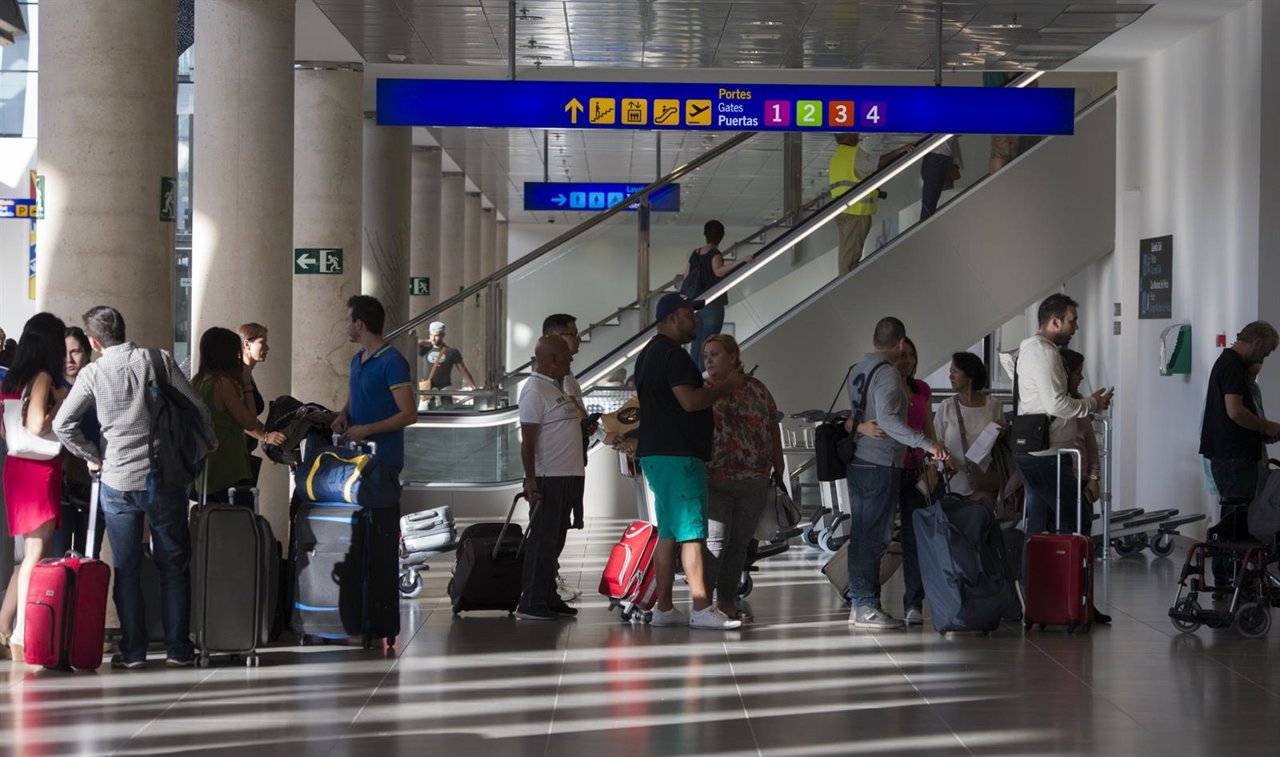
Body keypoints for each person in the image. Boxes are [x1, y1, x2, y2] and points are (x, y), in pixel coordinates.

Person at [54, 306, 214, 668]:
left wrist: (92, 456)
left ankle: (134, 651)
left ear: (93, 341)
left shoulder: (93, 373)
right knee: (174, 564)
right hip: (163, 479)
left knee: (126, 567)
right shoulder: (156, 360)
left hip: (116, 482)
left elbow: (64, 424)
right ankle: (177, 649)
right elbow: (197, 406)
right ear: (123, 330)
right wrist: (209, 443)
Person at [635, 293, 746, 630]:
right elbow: (690, 401)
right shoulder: (674, 356)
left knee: (669, 534)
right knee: (692, 535)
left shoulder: (648, 354)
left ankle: (665, 608)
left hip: (657, 454)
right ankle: (701, 607)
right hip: (678, 455)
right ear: (670, 318)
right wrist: (725, 387)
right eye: (688, 315)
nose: (696, 320)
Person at [842, 317, 948, 630]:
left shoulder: (857, 369)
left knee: (862, 534)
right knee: (873, 537)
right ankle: (866, 605)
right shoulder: (887, 374)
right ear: (900, 342)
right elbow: (889, 422)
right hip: (880, 463)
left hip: (860, 461)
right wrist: (927, 444)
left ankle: (861, 603)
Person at [1013, 294, 1113, 624]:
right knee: (1078, 522)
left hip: (1038, 450)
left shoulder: (1030, 348)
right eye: (1072, 321)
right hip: (1045, 455)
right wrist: (1091, 405)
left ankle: (1045, 602)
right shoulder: (1043, 352)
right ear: (1055, 321)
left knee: (1038, 527)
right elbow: (1057, 404)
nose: (1076, 327)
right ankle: (1069, 600)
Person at [701, 334, 784, 623]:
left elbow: (772, 426)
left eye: (715, 354)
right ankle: (704, 605)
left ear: (734, 357)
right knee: (716, 542)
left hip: (754, 478)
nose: (709, 360)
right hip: (715, 477)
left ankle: (727, 601)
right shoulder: (704, 390)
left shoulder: (757, 389)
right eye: (706, 355)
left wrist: (779, 463)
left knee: (739, 544)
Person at [0, 313, 68, 661]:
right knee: (35, 555)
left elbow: (7, 428)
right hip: (39, 469)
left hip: (16, 466)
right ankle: (23, 634)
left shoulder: (12, 378)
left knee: (27, 555)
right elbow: (38, 424)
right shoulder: (42, 377)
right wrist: (60, 404)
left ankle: (6, 627)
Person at [515, 336, 583, 621]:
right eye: (566, 358)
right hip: (548, 478)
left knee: (555, 541)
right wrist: (530, 479)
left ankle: (548, 595)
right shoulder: (534, 391)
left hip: (568, 476)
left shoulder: (555, 387)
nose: (570, 361)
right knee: (542, 540)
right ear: (552, 359)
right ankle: (531, 600)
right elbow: (527, 442)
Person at [191, 327, 285, 503]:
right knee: (239, 521)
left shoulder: (197, 381)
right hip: (227, 469)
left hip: (206, 467)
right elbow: (248, 421)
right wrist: (247, 383)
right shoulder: (222, 383)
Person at [331, 296, 417, 481]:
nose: (346, 325)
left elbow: (409, 414)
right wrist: (344, 413)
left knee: (382, 509)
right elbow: (357, 394)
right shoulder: (357, 359)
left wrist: (366, 430)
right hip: (355, 456)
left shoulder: (393, 362)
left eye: (348, 320)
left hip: (383, 459)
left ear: (359, 324)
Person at [1200, 321, 1280, 502]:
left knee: (1238, 513)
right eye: (1264, 354)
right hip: (1234, 458)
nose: (1261, 360)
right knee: (1241, 516)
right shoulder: (1232, 365)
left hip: (1231, 456)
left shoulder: (1229, 364)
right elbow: (1235, 411)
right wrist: (1266, 426)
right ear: (1257, 343)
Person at [892, 336, 937, 627]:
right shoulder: (885, 387)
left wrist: (935, 456)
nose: (907, 361)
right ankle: (861, 595)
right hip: (888, 467)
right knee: (878, 535)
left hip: (916, 470)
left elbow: (929, 426)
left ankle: (913, 603)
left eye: (911, 355)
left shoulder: (922, 389)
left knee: (913, 539)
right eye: (901, 356)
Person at [51, 326, 104, 558]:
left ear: (87, 352)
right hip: (59, 481)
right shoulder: (51, 388)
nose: (69, 359)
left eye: (76, 352)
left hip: (94, 480)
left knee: (89, 554)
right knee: (57, 553)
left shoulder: (100, 385)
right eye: (64, 352)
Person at [829, 134, 915, 275]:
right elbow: (875, 163)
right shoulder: (852, 154)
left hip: (843, 212)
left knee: (847, 251)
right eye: (853, 132)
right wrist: (900, 150)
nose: (856, 135)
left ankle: (847, 284)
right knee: (850, 257)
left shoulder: (837, 157)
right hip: (856, 212)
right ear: (847, 136)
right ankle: (847, 288)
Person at [934, 352, 1008, 505]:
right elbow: (936, 441)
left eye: (955, 371)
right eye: (950, 372)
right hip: (954, 479)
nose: (950, 376)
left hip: (985, 478)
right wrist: (945, 461)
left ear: (970, 375)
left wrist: (1003, 432)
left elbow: (1001, 442)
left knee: (982, 519)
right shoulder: (946, 407)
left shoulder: (993, 405)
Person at [683, 219, 752, 373]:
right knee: (710, 346)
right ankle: (705, 379)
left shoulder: (695, 253)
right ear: (721, 236)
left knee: (696, 347)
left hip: (696, 306)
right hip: (713, 305)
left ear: (705, 234)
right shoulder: (715, 253)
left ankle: (693, 377)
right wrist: (740, 261)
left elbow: (686, 276)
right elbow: (718, 271)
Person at [1061, 349, 1102, 504]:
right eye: (1078, 373)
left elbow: (1091, 445)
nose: (1082, 378)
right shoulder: (1057, 407)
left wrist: (1094, 477)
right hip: (1064, 476)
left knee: (1083, 523)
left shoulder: (1081, 403)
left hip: (1082, 478)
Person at [237, 322, 271, 484]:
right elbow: (239, 416)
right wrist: (265, 437)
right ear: (246, 344)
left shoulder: (246, 373)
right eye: (262, 342)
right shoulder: (238, 374)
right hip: (234, 458)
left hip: (243, 453)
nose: (267, 348)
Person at [416, 321, 476, 409]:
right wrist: (428, 341)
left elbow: (463, 370)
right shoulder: (425, 350)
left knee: (447, 415)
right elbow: (414, 342)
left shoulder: (451, 352)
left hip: (444, 390)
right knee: (423, 415)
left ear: (443, 335)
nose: (433, 338)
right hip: (427, 391)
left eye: (436, 335)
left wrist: (473, 387)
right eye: (431, 334)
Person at [920, 137, 962, 221]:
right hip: (937, 159)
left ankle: (929, 228)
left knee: (938, 202)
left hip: (943, 159)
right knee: (930, 204)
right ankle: (926, 229)